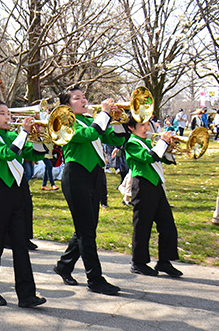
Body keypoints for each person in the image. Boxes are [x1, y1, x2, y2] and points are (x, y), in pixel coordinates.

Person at [52, 87, 125, 295]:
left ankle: (64, 266)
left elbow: (116, 139)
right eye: (77, 98)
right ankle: (95, 279)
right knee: (86, 231)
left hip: (94, 176)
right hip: (76, 175)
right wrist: (104, 114)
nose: (84, 100)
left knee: (87, 227)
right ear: (67, 105)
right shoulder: (64, 121)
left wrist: (118, 120)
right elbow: (88, 135)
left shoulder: (89, 119)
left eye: (84, 97)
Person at [0, 100, 47, 307]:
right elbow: (8, 153)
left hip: (17, 191)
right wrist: (24, 133)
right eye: (2, 114)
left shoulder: (13, 135)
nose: (8, 117)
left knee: (20, 244)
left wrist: (40, 136)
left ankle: (26, 295)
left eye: (8, 113)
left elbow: (35, 154)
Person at [124, 116, 182, 277]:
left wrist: (170, 147)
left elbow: (165, 159)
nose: (146, 127)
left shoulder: (150, 142)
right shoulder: (131, 144)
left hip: (156, 186)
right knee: (143, 227)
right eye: (141, 125)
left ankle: (165, 261)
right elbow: (149, 157)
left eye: (147, 124)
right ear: (131, 128)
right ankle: (138, 262)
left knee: (168, 225)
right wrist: (162, 143)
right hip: (142, 186)